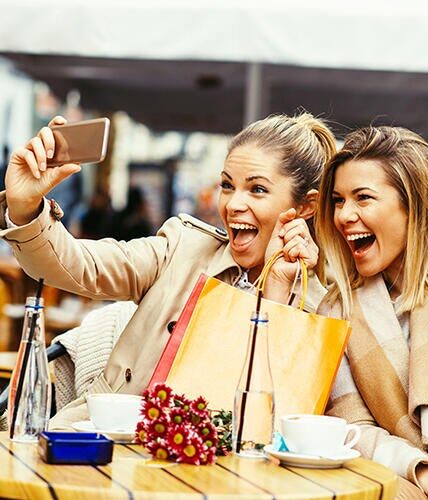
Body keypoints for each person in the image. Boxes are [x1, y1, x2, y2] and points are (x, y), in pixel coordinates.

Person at [0, 112, 335, 428]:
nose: (233, 205)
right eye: (228, 185)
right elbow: (78, 265)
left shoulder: (318, 305)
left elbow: (262, 422)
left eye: (257, 189)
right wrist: (25, 205)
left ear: (305, 206)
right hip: (104, 443)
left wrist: (276, 289)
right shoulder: (183, 248)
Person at [314, 126, 428, 498]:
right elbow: (352, 427)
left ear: (413, 204)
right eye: (338, 200)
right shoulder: (337, 308)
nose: (344, 215)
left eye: (363, 198)